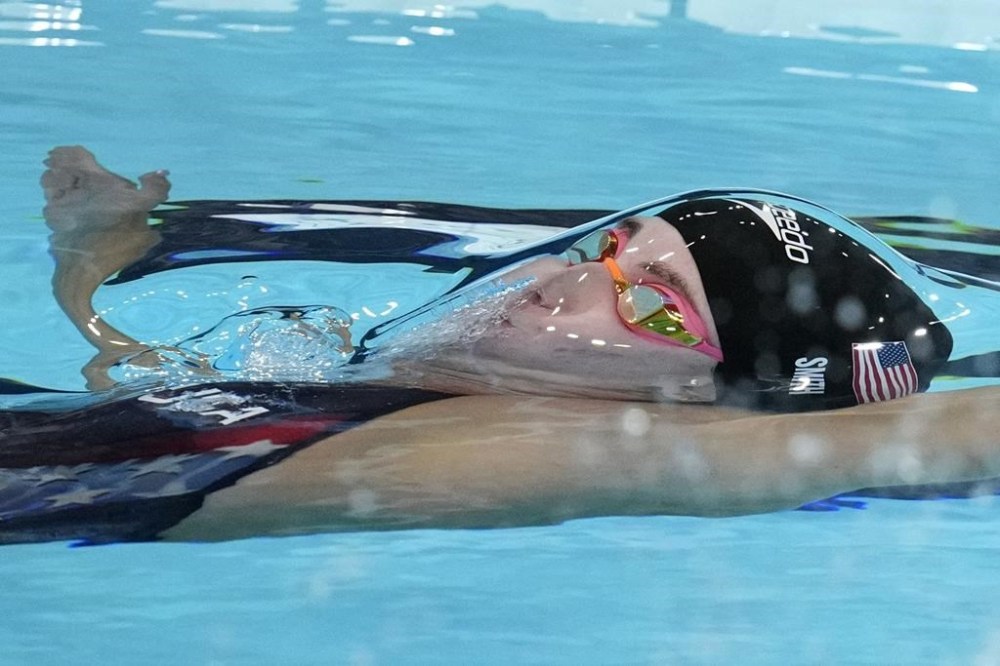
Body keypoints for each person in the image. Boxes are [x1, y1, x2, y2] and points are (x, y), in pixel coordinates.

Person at [0, 146, 997, 545]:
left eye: (653, 308)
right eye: (610, 250)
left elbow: (928, 435)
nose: (564, 277)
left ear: (702, 405)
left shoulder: (542, 442)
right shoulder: (340, 370)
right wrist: (91, 255)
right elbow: (107, 401)